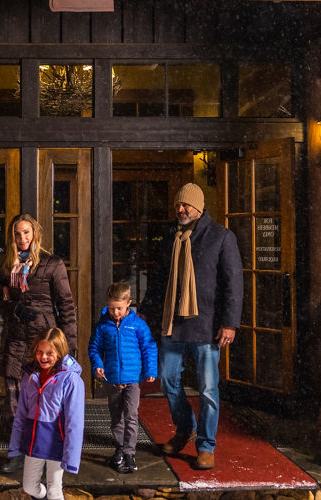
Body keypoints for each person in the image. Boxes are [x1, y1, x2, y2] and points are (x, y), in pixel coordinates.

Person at [139, 182, 242, 471]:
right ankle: (186, 428)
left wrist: (229, 323)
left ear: (198, 207)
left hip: (207, 325)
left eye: (185, 205)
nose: (180, 209)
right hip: (173, 323)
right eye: (178, 205)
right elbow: (159, 279)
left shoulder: (221, 236)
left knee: (208, 389)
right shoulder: (170, 236)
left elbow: (233, 283)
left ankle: (206, 446)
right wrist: (145, 312)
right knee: (167, 380)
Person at [0, 213, 78, 473]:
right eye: (17, 234)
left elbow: (66, 305)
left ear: (35, 234)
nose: (22, 238)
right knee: (14, 398)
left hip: (44, 341)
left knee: (45, 401)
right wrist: (14, 309)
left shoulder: (52, 263)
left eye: (26, 232)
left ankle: (44, 453)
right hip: (16, 338)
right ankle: (16, 452)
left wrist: (69, 346)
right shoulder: (7, 264)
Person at [7, 328, 85, 500]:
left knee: (54, 491)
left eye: (50, 353)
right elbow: (21, 413)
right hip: (34, 442)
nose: (43, 357)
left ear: (60, 352)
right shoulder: (30, 376)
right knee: (29, 487)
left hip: (57, 443)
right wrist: (15, 444)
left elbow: (75, 422)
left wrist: (71, 458)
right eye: (40, 352)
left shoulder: (71, 380)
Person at [88, 281, 157, 474]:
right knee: (116, 417)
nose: (115, 312)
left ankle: (129, 452)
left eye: (119, 308)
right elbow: (94, 348)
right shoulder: (103, 326)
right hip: (112, 380)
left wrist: (150, 370)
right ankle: (119, 447)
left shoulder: (138, 325)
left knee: (131, 416)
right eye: (111, 308)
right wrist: (98, 365)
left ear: (128, 303)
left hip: (132, 380)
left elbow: (149, 347)